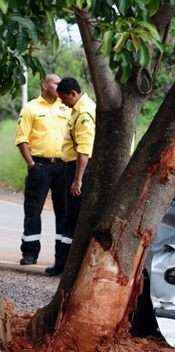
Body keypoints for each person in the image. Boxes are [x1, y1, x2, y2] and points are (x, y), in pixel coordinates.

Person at [15, 74, 71, 268]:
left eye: (60, 83)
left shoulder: (67, 107)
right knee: (33, 210)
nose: (58, 85)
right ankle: (30, 253)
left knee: (63, 212)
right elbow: (22, 139)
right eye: (55, 82)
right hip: (40, 166)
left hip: (63, 167)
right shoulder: (31, 108)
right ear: (44, 85)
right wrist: (31, 164)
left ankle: (61, 257)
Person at [44, 77, 96, 276]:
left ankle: (63, 265)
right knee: (67, 217)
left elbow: (84, 150)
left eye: (64, 98)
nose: (62, 102)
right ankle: (63, 263)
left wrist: (78, 179)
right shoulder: (80, 108)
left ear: (73, 93)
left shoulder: (83, 113)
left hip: (76, 168)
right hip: (71, 166)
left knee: (70, 218)